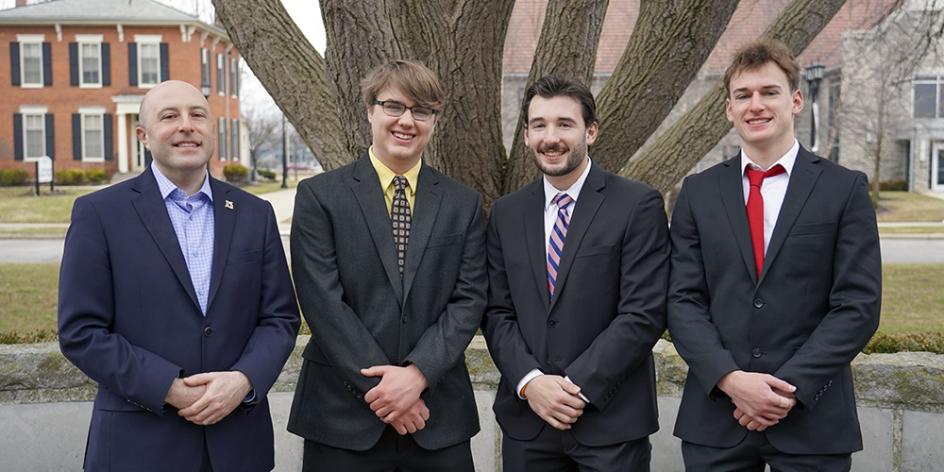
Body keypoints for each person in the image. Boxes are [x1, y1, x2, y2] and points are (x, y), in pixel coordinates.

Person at [57, 80, 300, 471]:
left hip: (237, 445)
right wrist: (168, 388)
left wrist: (242, 381)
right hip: (138, 448)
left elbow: (280, 318)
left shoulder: (255, 214)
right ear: (144, 136)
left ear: (212, 130)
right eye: (169, 116)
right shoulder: (100, 215)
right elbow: (81, 332)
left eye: (197, 114)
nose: (186, 125)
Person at [667, 39, 882, 471]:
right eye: (743, 96)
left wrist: (787, 390)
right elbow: (681, 300)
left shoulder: (845, 189)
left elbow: (857, 306)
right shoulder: (697, 193)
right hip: (717, 421)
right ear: (729, 109)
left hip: (812, 420)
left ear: (796, 100)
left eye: (769, 92)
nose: (756, 105)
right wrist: (731, 381)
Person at [287, 59, 486, 471]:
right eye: (394, 106)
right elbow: (323, 304)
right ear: (369, 111)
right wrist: (387, 392)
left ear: (434, 119)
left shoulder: (462, 203)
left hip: (436, 416)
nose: (407, 121)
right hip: (341, 417)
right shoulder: (320, 197)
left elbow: (469, 299)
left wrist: (416, 376)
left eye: (422, 110)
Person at [482, 75, 669, 471]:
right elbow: (497, 312)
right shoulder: (506, 213)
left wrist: (573, 389)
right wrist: (531, 382)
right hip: (528, 423)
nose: (551, 137)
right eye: (539, 125)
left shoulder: (637, 205)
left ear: (591, 131)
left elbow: (642, 313)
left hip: (610, 423)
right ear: (528, 135)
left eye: (565, 124)